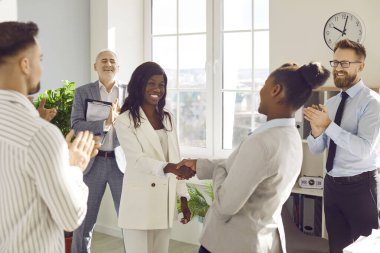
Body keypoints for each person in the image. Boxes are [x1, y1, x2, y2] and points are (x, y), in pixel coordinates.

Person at [178, 62, 330, 253]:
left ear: (276, 90)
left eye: (264, 85)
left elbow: (225, 206)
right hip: (260, 242)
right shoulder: (291, 138)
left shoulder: (263, 142)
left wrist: (218, 170)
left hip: (230, 245)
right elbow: (244, 166)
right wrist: (198, 165)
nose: (260, 90)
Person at [0, 21, 97, 253]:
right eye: (40, 59)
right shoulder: (41, 135)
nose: (41, 69)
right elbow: (70, 218)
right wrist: (73, 167)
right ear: (25, 65)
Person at [304, 39, 380, 253]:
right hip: (332, 186)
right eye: (335, 62)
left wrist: (328, 126)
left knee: (365, 249)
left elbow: (364, 149)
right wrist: (317, 132)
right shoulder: (331, 103)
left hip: (361, 187)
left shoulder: (372, 103)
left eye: (345, 63)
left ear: (361, 66)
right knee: (337, 247)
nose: (338, 68)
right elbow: (317, 149)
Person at [114, 61, 195, 253]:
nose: (157, 89)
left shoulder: (168, 117)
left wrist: (183, 197)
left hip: (163, 202)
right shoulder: (124, 120)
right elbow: (137, 160)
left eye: (161, 84)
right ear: (139, 85)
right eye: (151, 83)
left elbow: (176, 156)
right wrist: (170, 167)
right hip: (139, 200)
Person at [70, 49, 128, 252]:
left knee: (130, 224)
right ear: (95, 66)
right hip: (92, 163)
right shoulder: (82, 92)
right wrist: (105, 123)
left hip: (121, 165)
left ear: (118, 67)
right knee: (84, 223)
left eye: (113, 60)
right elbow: (76, 125)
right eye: (103, 60)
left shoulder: (130, 93)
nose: (108, 64)